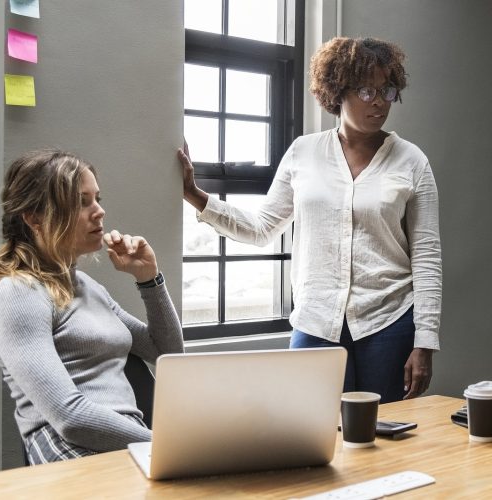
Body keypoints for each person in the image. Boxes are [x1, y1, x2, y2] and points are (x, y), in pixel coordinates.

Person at [177, 37, 441, 403]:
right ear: (337, 91)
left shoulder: (412, 161)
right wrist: (195, 194)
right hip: (317, 319)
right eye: (367, 90)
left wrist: (425, 342)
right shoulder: (304, 152)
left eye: (387, 90)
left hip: (389, 322)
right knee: (311, 433)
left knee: (385, 439)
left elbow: (426, 258)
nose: (380, 101)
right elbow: (261, 228)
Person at [0, 149, 183, 464]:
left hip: (127, 438)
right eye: (81, 202)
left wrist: (149, 279)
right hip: (69, 447)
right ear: (34, 217)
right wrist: (168, 444)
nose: (99, 211)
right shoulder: (17, 293)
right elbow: (70, 417)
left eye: (97, 199)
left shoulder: (89, 288)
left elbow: (167, 352)